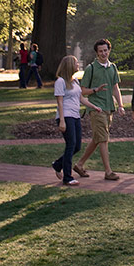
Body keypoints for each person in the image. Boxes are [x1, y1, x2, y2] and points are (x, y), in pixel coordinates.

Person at [73, 38, 125, 180]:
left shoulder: (112, 67)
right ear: (96, 53)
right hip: (96, 109)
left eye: (105, 50)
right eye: (100, 51)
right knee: (103, 140)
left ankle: (79, 164)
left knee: (97, 139)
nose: (103, 53)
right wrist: (95, 90)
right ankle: (108, 172)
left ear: (109, 50)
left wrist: (120, 105)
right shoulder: (91, 68)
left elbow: (115, 88)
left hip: (109, 108)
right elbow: (82, 91)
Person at [51, 55, 102, 186]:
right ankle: (67, 177)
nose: (78, 65)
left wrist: (94, 107)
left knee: (77, 146)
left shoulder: (75, 81)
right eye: (75, 63)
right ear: (69, 65)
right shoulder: (60, 82)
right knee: (71, 144)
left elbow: (81, 99)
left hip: (75, 116)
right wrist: (61, 120)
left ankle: (58, 164)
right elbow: (60, 103)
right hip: (66, 116)